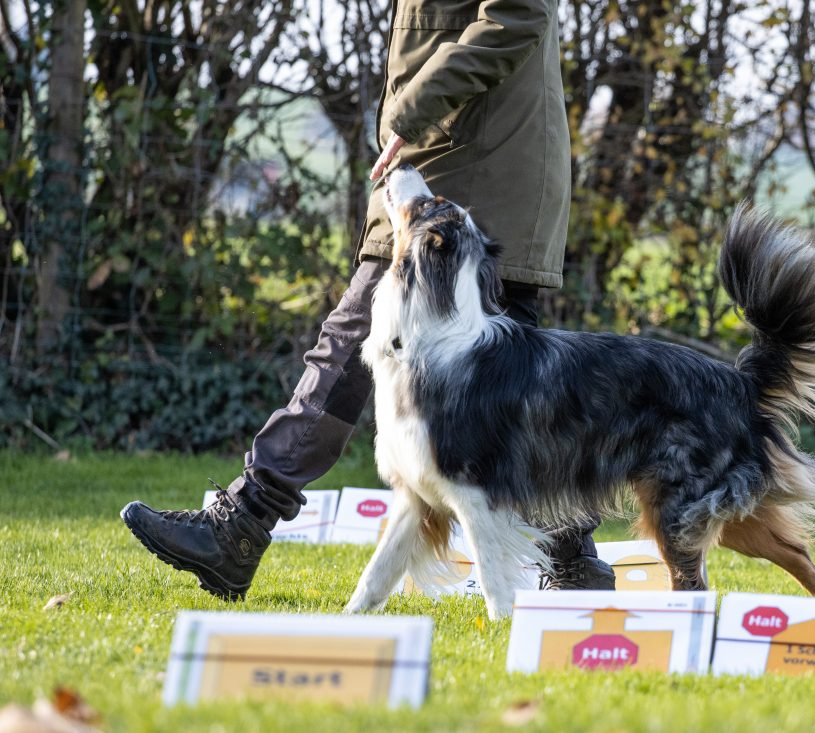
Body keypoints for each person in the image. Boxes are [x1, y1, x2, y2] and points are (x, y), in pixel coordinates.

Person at [120, 0, 614, 600]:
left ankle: (243, 524)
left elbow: (515, 13)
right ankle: (575, 565)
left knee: (358, 348)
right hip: (448, 154)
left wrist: (411, 109)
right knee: (503, 398)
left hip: (470, 170)